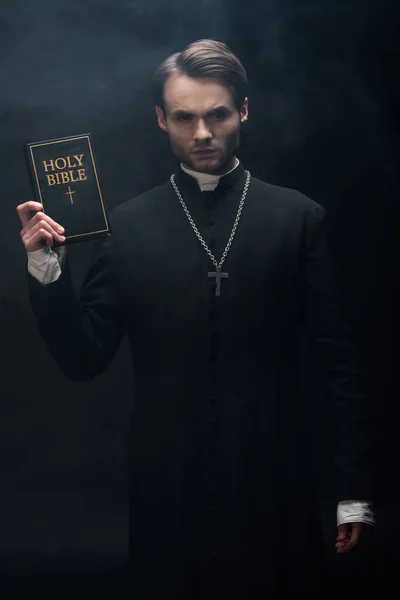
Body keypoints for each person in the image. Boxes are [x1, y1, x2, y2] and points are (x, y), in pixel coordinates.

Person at [17, 39, 377, 599]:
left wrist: (353, 490)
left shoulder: (298, 219)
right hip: (168, 487)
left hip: (273, 479)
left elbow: (341, 367)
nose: (202, 134)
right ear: (162, 120)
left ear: (244, 111)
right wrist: (47, 265)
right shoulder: (126, 229)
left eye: (218, 115)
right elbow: (84, 359)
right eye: (185, 118)